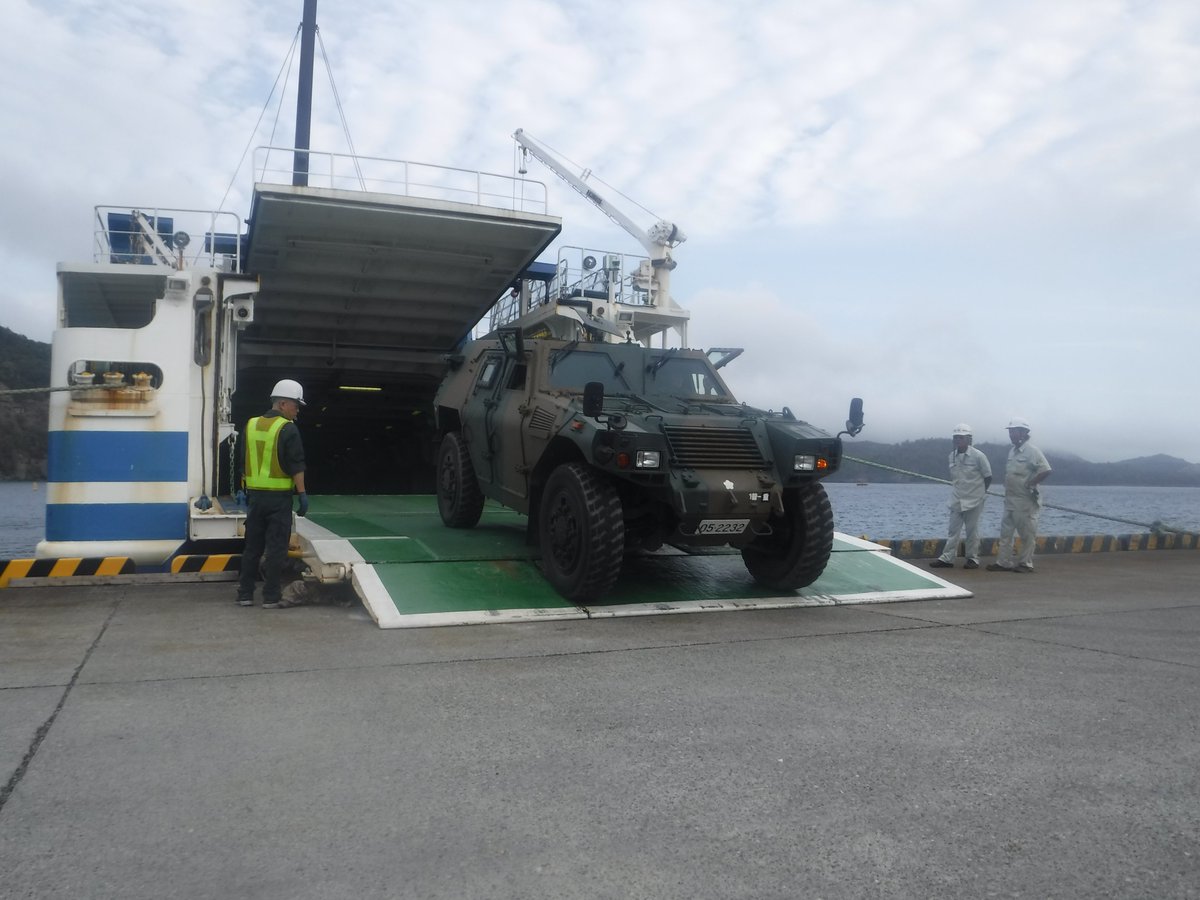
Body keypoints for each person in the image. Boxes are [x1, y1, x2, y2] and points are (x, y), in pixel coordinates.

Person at [236, 379, 309, 608]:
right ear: (284, 403)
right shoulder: (287, 428)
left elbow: (243, 460)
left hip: (255, 498)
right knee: (277, 549)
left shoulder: (250, 424)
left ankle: (245, 594)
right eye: (296, 405)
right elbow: (296, 464)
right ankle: (270, 596)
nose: (297, 411)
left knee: (252, 548)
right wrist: (303, 494)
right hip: (278, 500)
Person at [987, 416, 1051, 574]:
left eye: (1014, 432)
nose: (1011, 435)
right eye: (1010, 432)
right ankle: (1003, 562)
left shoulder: (1033, 451)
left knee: (1027, 533)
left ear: (1023, 432)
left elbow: (1046, 470)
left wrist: (1031, 483)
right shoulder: (1012, 452)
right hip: (1009, 499)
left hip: (1025, 501)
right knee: (1006, 533)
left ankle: (1025, 564)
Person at [929, 423, 992, 570]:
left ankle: (972, 559)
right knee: (953, 530)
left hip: (975, 499)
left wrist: (981, 493)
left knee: (972, 531)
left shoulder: (979, 456)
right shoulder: (952, 456)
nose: (958, 440)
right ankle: (947, 559)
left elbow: (988, 477)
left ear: (969, 439)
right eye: (956, 438)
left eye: (961, 438)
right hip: (957, 498)